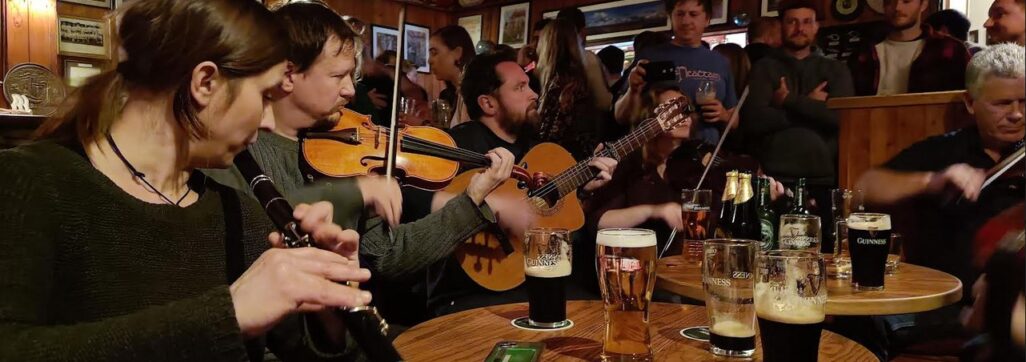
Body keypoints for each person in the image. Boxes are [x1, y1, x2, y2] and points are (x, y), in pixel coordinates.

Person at [0, 0, 370, 360]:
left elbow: (303, 350)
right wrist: (228, 315)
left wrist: (330, 303)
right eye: (265, 96)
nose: (269, 121)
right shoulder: (29, 182)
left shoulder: (240, 214)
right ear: (205, 82)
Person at [201, 2, 517, 326]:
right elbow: (252, 233)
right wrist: (354, 192)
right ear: (288, 74)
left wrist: (471, 201)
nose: (351, 90)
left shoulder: (348, 147)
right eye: (337, 76)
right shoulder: (236, 150)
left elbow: (388, 255)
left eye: (351, 75)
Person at [428, 52, 618, 316]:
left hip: (536, 277)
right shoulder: (457, 146)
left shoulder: (540, 150)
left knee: (601, 311)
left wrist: (582, 190)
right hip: (470, 289)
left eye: (529, 84)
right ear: (488, 103)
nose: (534, 95)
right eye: (520, 87)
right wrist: (493, 205)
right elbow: (417, 203)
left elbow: (545, 214)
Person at [856, 43, 1024, 296]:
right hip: (945, 300)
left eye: (1024, 102)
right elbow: (865, 187)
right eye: (1002, 103)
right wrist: (932, 181)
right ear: (970, 102)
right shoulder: (945, 150)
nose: (1017, 114)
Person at [740, 0, 854, 226]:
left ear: (816, 26)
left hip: (825, 178)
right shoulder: (764, 67)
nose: (799, 28)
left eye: (806, 22)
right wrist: (812, 106)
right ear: (781, 25)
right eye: (792, 21)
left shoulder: (836, 70)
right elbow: (753, 121)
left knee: (825, 251)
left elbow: (842, 119)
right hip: (774, 178)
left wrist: (788, 101)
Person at [615, 0, 738, 146]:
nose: (686, 21)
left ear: (707, 19)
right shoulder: (650, 56)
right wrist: (633, 90)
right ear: (671, 17)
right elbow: (620, 117)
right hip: (657, 154)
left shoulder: (720, 62)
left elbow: (735, 120)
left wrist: (724, 115)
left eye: (693, 14)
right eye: (680, 14)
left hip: (705, 155)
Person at [848, 0, 970, 95]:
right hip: (872, 125)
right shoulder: (863, 53)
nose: (897, 7)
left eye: (907, 1)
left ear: (923, 4)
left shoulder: (951, 50)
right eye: (890, 1)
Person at [535, 19, 604, 161]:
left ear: (547, 46)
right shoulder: (580, 80)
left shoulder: (557, 84)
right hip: (580, 163)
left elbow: (548, 138)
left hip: (559, 165)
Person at [556, 7, 614, 113]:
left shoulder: (548, 60)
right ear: (582, 31)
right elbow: (603, 102)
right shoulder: (586, 58)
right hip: (583, 126)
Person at [430, 25, 476, 128]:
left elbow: (464, 139)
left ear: (457, 53)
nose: (429, 60)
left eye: (434, 53)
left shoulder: (472, 93)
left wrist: (423, 124)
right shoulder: (452, 94)